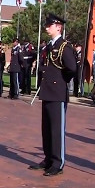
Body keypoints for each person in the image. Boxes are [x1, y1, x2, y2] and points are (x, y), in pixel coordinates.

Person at [28, 13, 76, 176]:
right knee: (46, 128)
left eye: (50, 25)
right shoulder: (49, 46)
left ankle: (58, 162)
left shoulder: (64, 46)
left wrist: (60, 83)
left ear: (58, 27)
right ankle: (48, 159)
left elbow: (72, 69)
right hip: (47, 91)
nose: (47, 28)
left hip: (57, 92)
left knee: (56, 129)